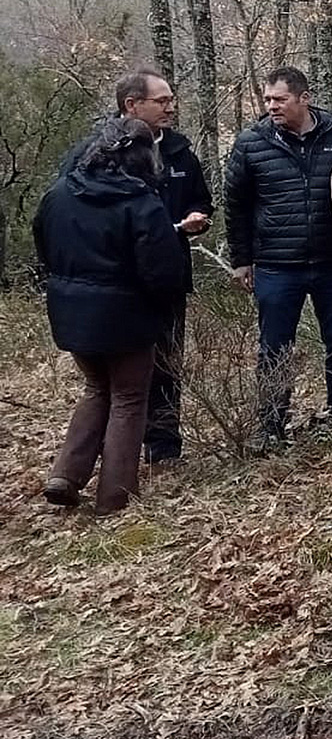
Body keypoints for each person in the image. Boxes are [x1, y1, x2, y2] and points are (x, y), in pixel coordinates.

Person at [36, 117, 189, 511]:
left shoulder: (59, 195)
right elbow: (163, 272)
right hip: (127, 317)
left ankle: (66, 474)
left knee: (97, 388)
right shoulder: (141, 204)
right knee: (128, 398)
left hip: (71, 314)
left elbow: (45, 250)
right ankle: (115, 497)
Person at [225, 67, 332, 449]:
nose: (272, 107)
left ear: (304, 97)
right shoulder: (252, 142)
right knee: (274, 347)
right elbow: (236, 205)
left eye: (279, 99)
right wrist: (242, 259)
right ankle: (269, 425)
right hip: (276, 265)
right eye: (267, 100)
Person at [97, 70, 213, 464]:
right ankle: (110, 455)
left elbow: (201, 199)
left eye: (170, 99)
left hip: (169, 277)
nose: (170, 107)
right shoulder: (104, 154)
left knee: (166, 362)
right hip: (118, 281)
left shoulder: (181, 151)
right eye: (161, 101)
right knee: (116, 374)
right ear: (132, 105)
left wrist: (195, 218)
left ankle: (163, 448)